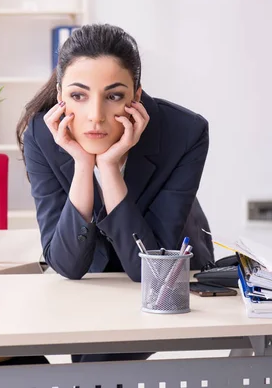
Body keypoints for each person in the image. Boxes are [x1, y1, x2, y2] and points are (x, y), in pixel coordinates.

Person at [16, 23, 215, 362]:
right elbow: (66, 263)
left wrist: (108, 169)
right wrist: (82, 163)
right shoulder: (42, 134)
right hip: (91, 279)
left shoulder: (185, 132)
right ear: (61, 94)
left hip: (170, 279)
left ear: (136, 95)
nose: (95, 117)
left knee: (101, 362)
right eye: (79, 95)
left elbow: (151, 272)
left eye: (114, 96)